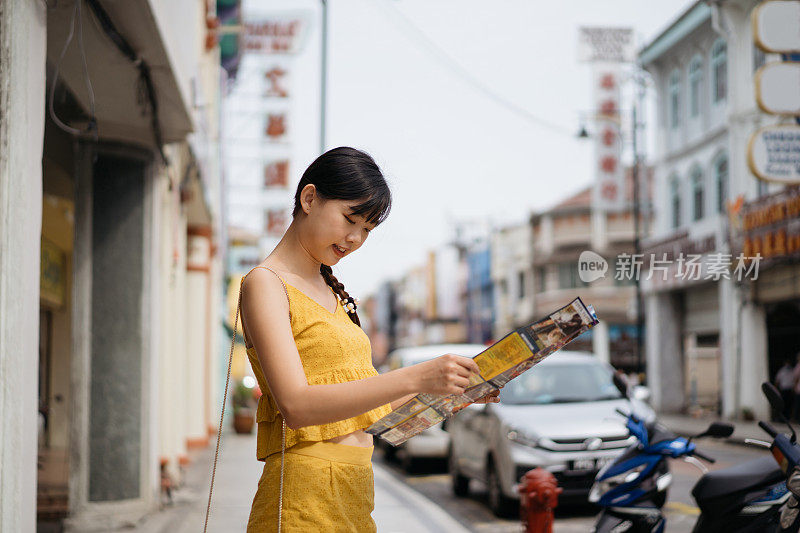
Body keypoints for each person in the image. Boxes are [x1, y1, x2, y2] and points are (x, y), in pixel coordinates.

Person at [239, 147, 500, 532]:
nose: (356, 237)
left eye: (367, 229)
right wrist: (416, 376)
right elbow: (296, 405)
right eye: (350, 219)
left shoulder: (331, 291)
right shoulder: (266, 283)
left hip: (353, 494)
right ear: (309, 198)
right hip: (301, 498)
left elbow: (368, 405)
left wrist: (452, 391)